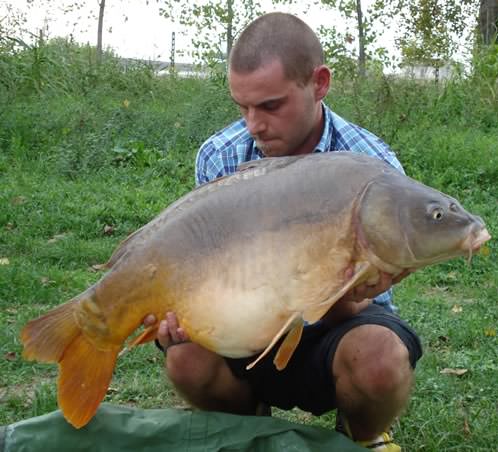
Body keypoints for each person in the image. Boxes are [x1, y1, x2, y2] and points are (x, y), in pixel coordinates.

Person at [145, 12, 422, 452]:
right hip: (249, 321)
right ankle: (247, 426)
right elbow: (211, 269)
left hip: (339, 324)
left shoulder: (373, 166)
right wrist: (189, 315)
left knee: (379, 357)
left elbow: (375, 304)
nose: (254, 124)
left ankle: (362, 435)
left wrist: (335, 293)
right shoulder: (220, 155)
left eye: (271, 106)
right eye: (243, 106)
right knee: (185, 359)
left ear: (319, 83)